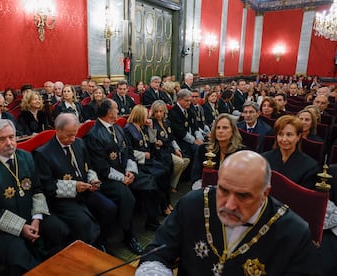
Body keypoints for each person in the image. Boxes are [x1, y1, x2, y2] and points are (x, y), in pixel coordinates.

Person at [136, 150, 321, 276]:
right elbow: (157, 252)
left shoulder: (293, 233)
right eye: (223, 190)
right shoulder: (193, 204)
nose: (230, 205)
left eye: (243, 196)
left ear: (265, 193)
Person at [0, 119, 70, 275]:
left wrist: (36, 218)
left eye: (12, 137)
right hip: (1, 226)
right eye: (2, 139)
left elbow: (37, 189)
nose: (9, 143)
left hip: (32, 215)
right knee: (19, 257)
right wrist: (21, 228)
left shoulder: (26, 157)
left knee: (59, 230)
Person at [34, 113, 116, 248]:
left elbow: (88, 167)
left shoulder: (79, 143)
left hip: (85, 190)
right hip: (63, 200)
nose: (72, 139)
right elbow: (47, 186)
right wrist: (74, 187)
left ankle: (102, 243)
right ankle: (89, 249)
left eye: (75, 134)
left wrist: (93, 179)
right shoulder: (43, 153)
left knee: (109, 208)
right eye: (68, 135)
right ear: (58, 130)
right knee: (84, 222)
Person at [84, 99, 145, 254]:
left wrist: (131, 170)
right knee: (127, 197)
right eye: (116, 109)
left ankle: (148, 220)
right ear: (108, 112)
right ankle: (128, 236)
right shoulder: (94, 134)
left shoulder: (117, 128)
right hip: (106, 179)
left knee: (148, 181)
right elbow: (101, 167)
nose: (118, 111)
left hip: (124, 172)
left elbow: (128, 150)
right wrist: (122, 178)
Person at [124, 105, 168, 222]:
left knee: (165, 170)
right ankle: (161, 207)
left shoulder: (142, 127)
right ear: (139, 116)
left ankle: (165, 204)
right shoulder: (128, 129)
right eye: (145, 115)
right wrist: (143, 155)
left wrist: (151, 128)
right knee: (156, 178)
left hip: (147, 160)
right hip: (138, 163)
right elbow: (128, 151)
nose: (148, 118)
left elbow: (151, 142)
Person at [262, 115, 320, 190]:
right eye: (280, 134)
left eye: (289, 135)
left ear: (298, 136)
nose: (284, 139)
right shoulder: (264, 160)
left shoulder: (310, 167)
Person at [191, 114, 246, 188]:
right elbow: (195, 177)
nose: (220, 131)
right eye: (218, 128)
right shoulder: (203, 149)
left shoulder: (241, 153)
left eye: (225, 128)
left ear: (233, 131)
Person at [150, 100, 190, 195]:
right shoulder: (151, 123)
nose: (159, 114)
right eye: (156, 112)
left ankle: (171, 181)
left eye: (161, 111)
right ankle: (171, 185)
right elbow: (152, 140)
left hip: (170, 148)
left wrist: (176, 149)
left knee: (186, 160)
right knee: (179, 162)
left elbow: (172, 138)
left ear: (164, 112)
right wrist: (156, 142)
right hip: (160, 151)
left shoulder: (167, 122)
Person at [168, 89, 204, 160]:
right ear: (179, 99)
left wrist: (199, 138)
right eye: (186, 101)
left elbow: (194, 125)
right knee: (198, 150)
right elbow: (180, 132)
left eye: (190, 100)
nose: (189, 103)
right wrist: (194, 140)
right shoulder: (174, 112)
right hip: (180, 140)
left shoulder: (189, 109)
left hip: (190, 137)